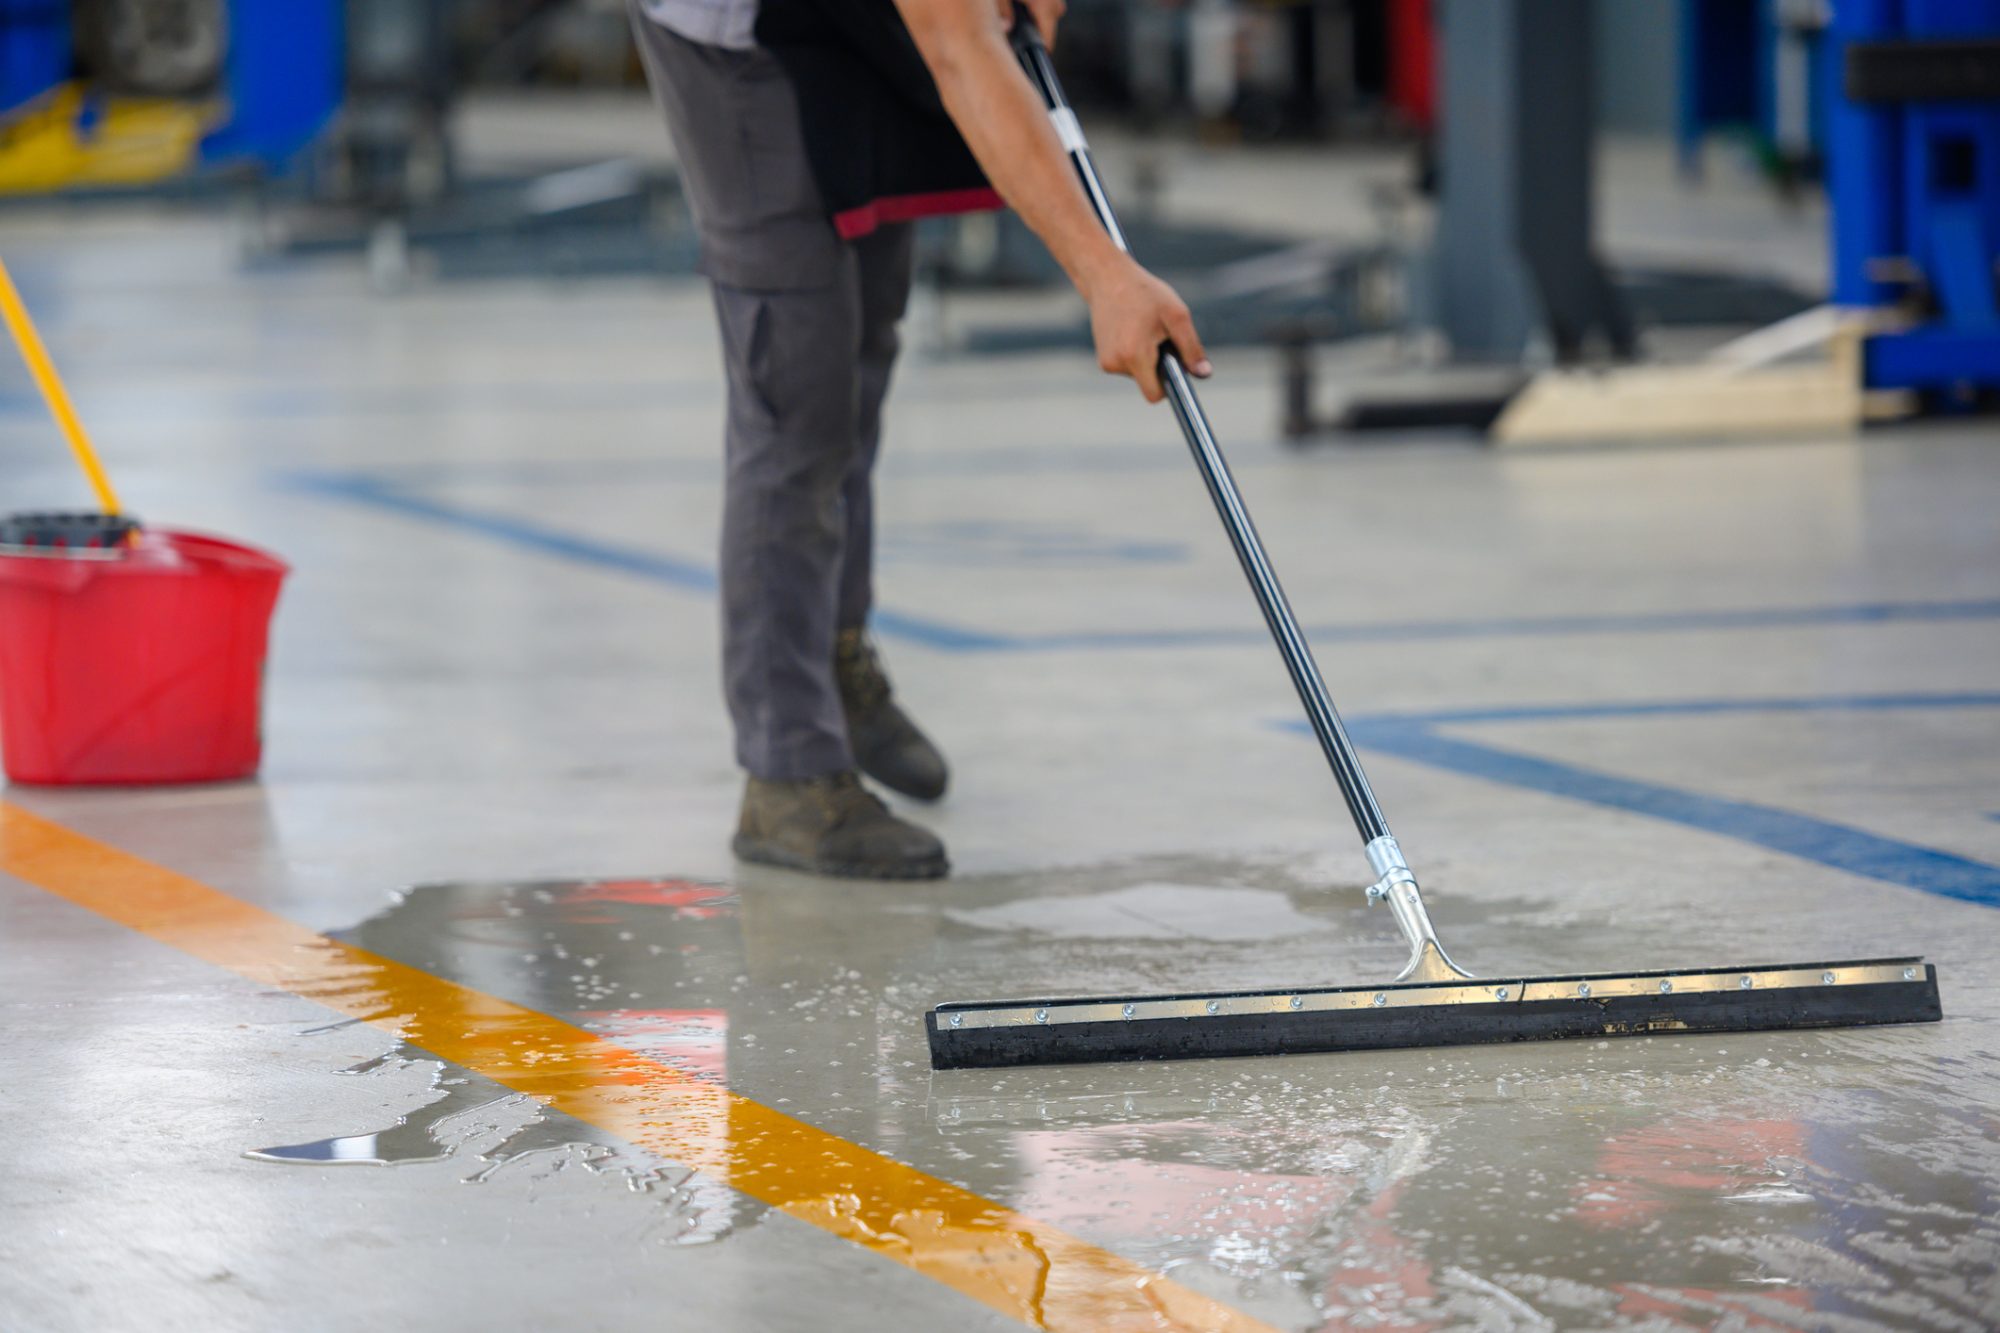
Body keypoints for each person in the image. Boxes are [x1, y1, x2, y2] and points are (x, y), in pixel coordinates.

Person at [629, 0, 1209, 880]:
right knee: (797, 393)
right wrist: (1104, 273)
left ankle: (832, 651)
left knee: (861, 341)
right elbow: (959, 45)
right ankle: (785, 769)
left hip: (850, 22)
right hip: (734, 36)